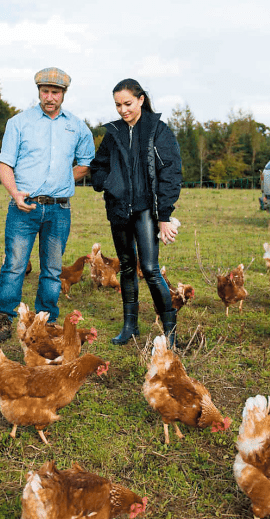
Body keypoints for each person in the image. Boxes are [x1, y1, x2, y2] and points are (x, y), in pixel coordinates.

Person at [0, 67, 95, 344]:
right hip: (24, 207)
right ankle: (3, 317)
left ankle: (46, 319)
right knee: (14, 265)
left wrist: (60, 182)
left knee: (52, 269)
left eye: (55, 92)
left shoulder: (76, 126)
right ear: (38, 92)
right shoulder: (19, 123)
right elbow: (5, 163)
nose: (50, 97)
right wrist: (15, 193)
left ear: (64, 94)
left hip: (59, 210)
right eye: (45, 91)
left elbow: (86, 163)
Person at [90, 78, 183, 347]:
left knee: (151, 269)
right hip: (118, 209)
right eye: (118, 105)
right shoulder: (114, 133)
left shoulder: (158, 131)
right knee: (127, 267)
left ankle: (169, 331)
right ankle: (130, 326)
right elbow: (99, 165)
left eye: (127, 103)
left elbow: (171, 173)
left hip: (145, 210)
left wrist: (164, 216)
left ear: (141, 99)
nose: (122, 110)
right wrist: (107, 183)